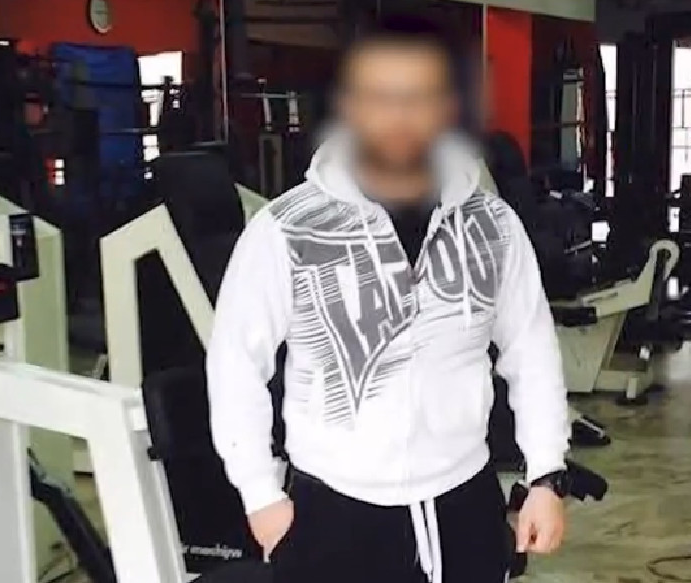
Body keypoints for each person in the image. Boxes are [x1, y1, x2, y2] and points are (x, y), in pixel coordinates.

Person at [207, 16, 570, 583]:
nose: (399, 117)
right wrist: (261, 495)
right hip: (333, 509)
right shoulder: (286, 229)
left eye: (419, 97)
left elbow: (532, 349)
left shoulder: (493, 224)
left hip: (464, 501)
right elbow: (234, 364)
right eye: (380, 97)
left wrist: (546, 476)